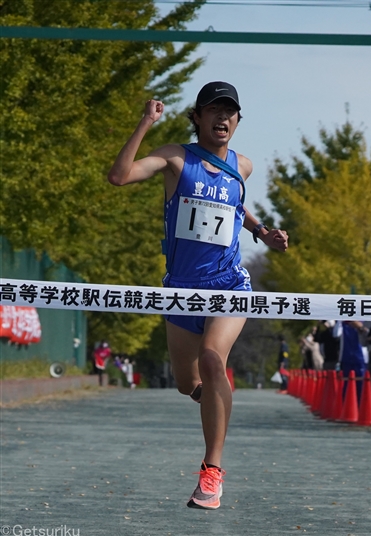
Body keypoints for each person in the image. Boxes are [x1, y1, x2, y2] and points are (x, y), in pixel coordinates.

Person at [107, 81, 289, 510]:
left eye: (230, 112)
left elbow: (234, 206)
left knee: (213, 360)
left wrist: (262, 231)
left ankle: (211, 473)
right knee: (189, 383)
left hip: (229, 285)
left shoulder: (242, 166)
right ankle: (216, 400)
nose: (222, 118)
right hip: (182, 290)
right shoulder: (176, 157)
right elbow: (119, 176)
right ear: (198, 117)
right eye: (213, 110)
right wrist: (145, 123)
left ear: (238, 121)